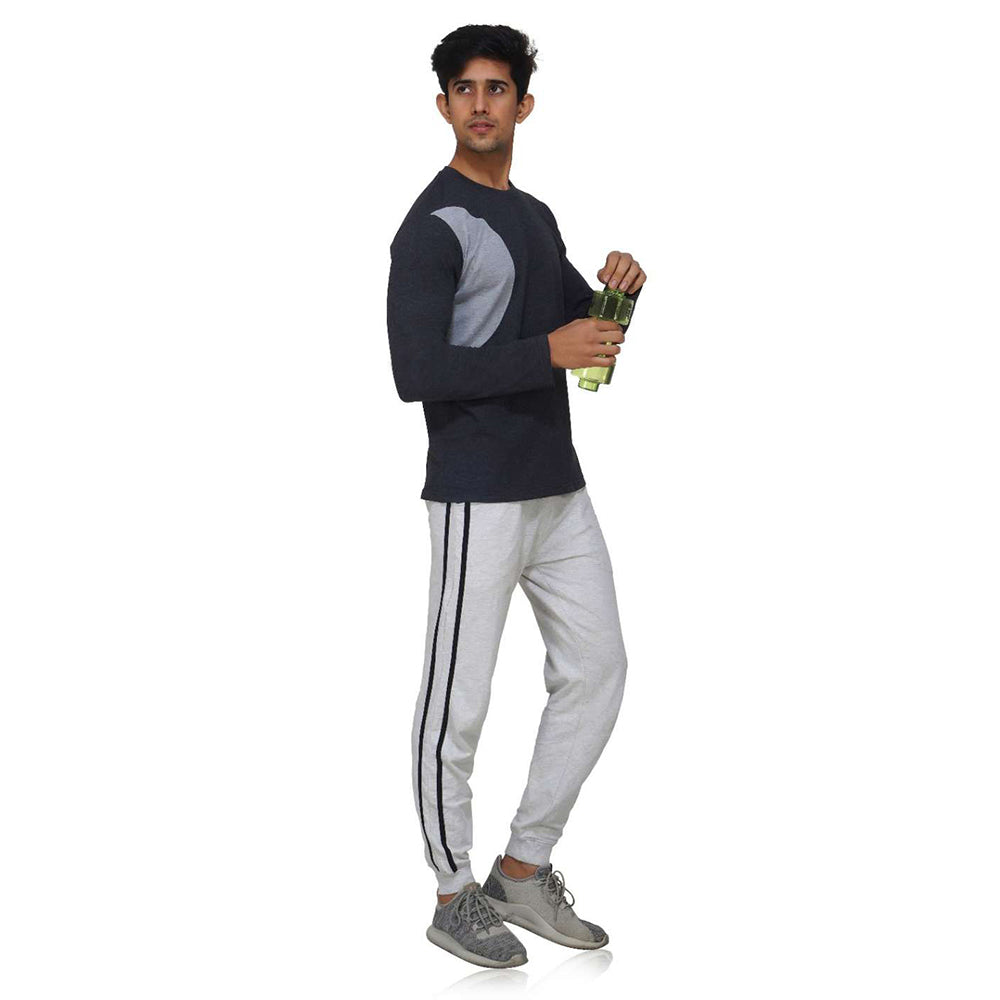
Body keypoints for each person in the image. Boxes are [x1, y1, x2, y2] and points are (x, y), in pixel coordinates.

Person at [386, 24, 647, 969]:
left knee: (599, 669)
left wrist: (618, 296)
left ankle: (523, 870)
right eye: (465, 88)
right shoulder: (433, 226)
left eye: (498, 88)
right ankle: (451, 891)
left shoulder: (532, 215)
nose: (481, 103)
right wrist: (550, 350)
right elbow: (416, 372)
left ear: (523, 105)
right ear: (444, 105)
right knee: (457, 700)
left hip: (557, 488)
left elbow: (582, 328)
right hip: (478, 493)